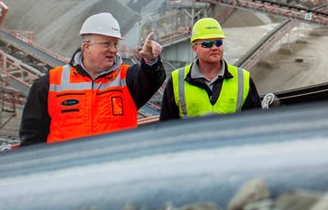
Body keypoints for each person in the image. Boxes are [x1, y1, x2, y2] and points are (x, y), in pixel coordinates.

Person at [19, 12, 165, 145]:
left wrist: (151, 61)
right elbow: (32, 138)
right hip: (67, 171)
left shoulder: (127, 79)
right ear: (86, 46)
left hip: (116, 170)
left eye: (115, 44)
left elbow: (152, 78)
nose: (113, 49)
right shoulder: (49, 84)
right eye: (107, 44)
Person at [159, 17, 261, 121]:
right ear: (195, 48)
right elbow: (166, 126)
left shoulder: (243, 78)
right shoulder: (177, 80)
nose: (214, 48)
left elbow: (255, 122)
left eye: (218, 42)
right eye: (207, 44)